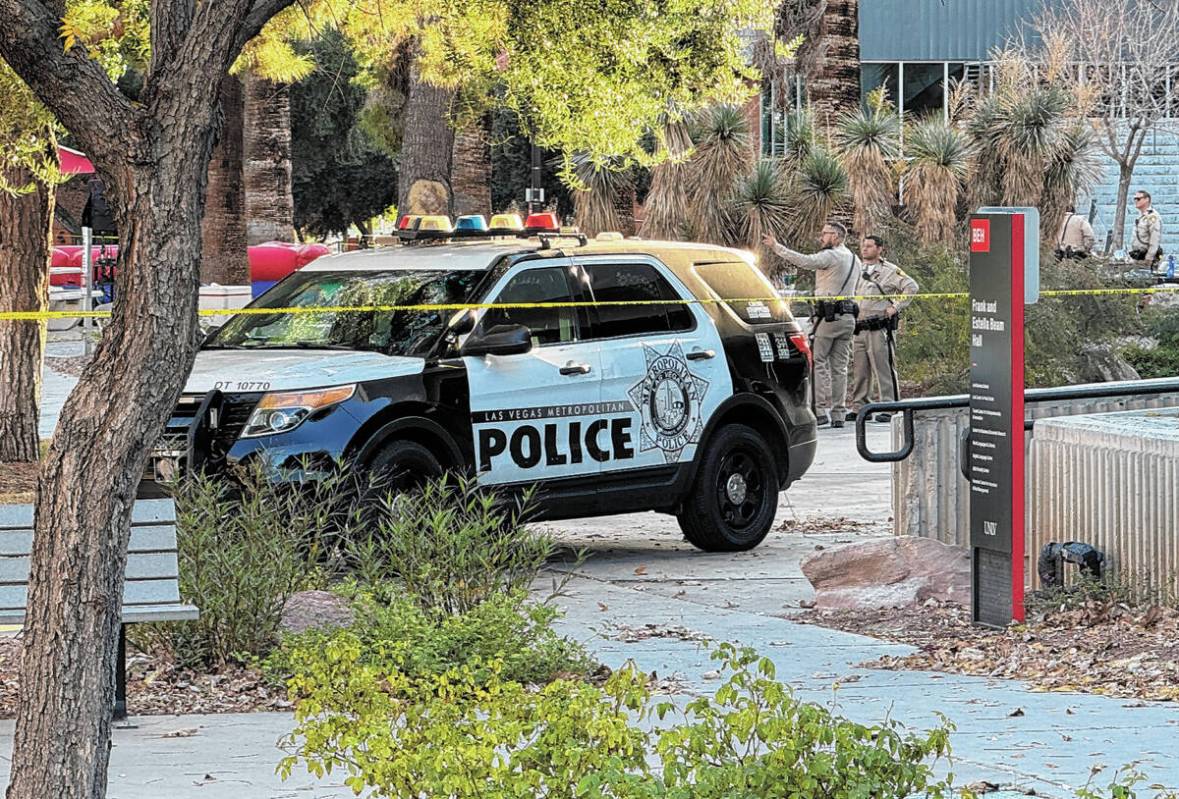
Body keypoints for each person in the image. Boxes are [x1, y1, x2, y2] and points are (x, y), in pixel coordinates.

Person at [763, 222, 858, 428]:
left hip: (829, 317)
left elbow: (804, 261)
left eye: (825, 234)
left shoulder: (831, 256)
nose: (821, 237)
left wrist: (776, 247)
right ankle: (839, 412)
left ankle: (819, 411)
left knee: (819, 362)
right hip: (848, 317)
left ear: (836, 236)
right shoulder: (854, 259)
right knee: (840, 367)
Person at [849, 235, 918, 423]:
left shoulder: (889, 271)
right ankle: (860, 406)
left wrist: (895, 306)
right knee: (860, 369)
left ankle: (890, 405)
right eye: (864, 246)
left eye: (870, 246)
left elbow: (911, 287)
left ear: (879, 249)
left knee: (884, 368)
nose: (865, 249)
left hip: (879, 327)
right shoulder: (857, 269)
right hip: (860, 326)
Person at [1129, 189, 1163, 268]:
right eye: (1135, 199)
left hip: (1147, 258)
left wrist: (1149, 258)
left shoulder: (1152, 217)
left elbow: (1155, 239)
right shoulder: (1141, 216)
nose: (1136, 201)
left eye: (1138, 199)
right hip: (1138, 257)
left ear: (1146, 199)